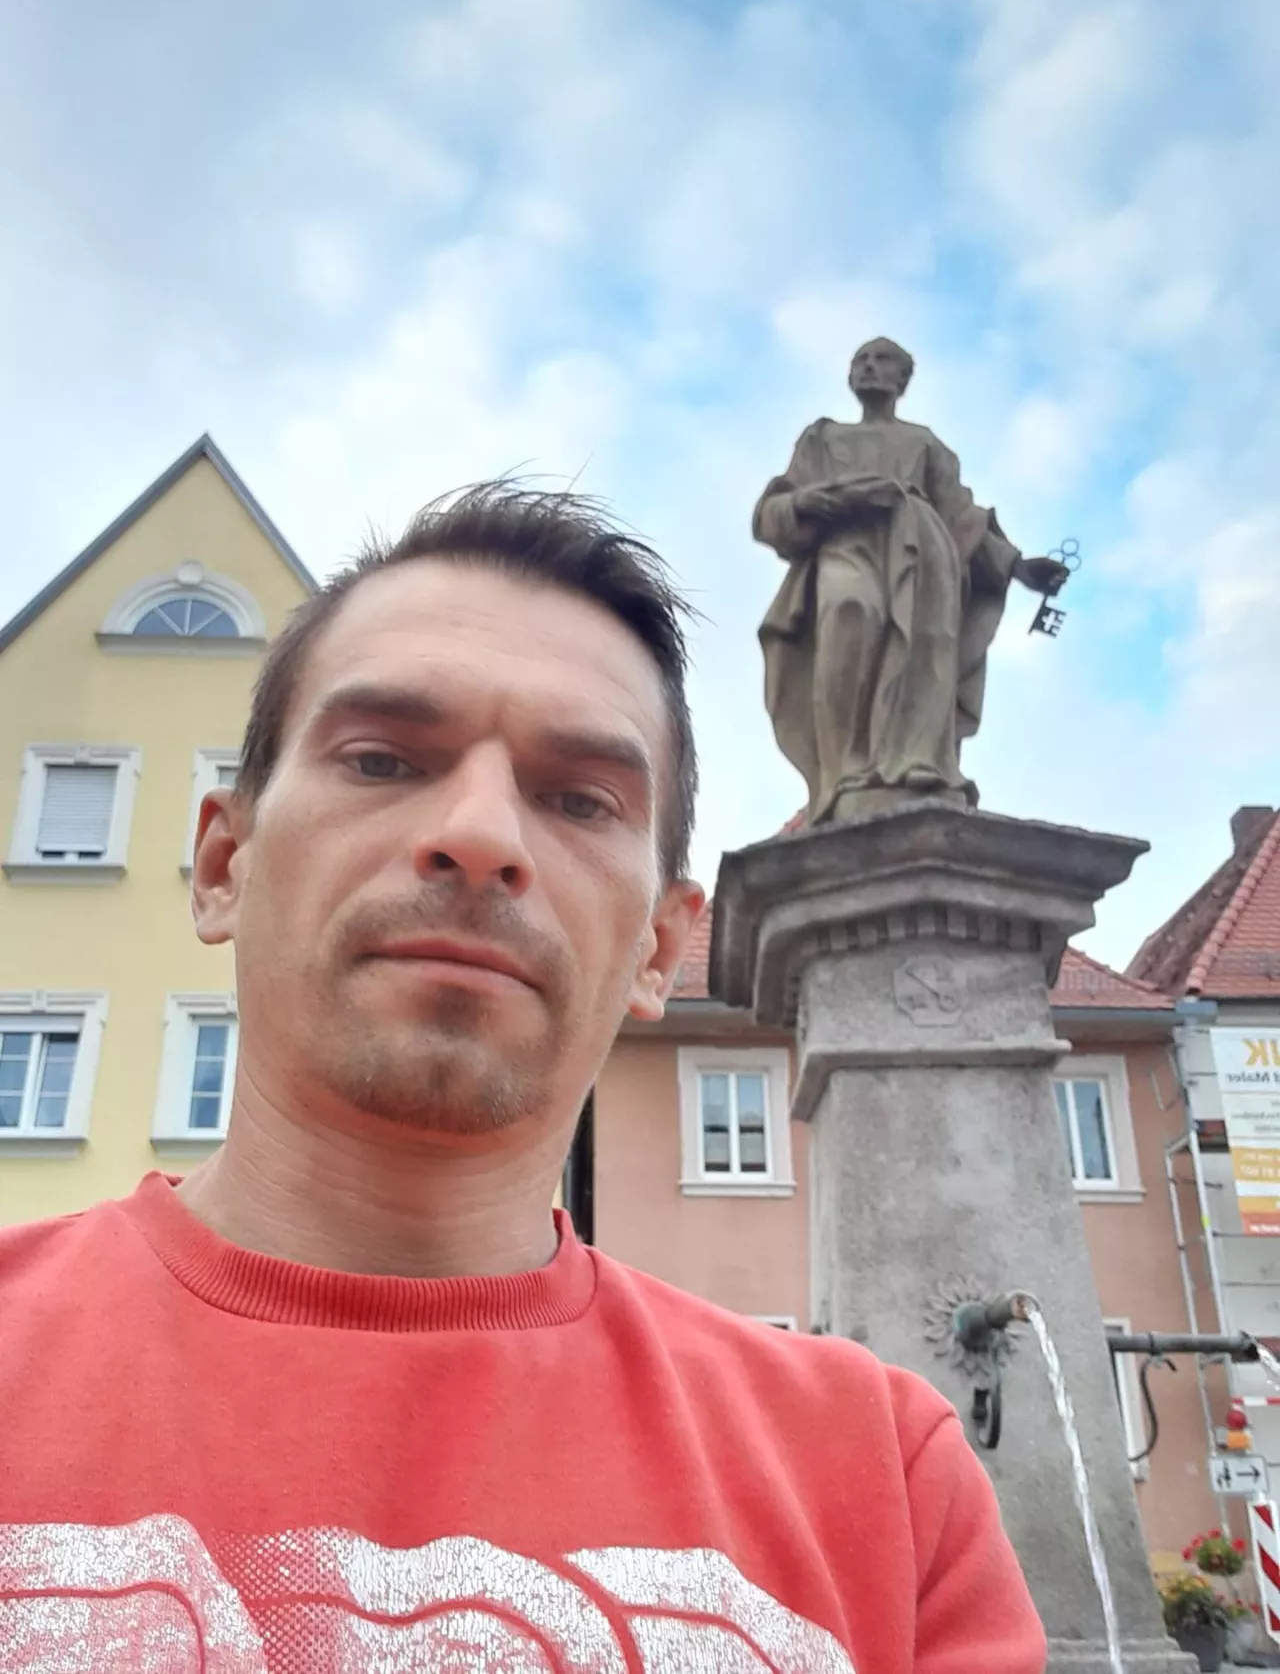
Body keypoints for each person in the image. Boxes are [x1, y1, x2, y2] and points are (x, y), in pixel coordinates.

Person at [0, 483, 1046, 1671]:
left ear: (659, 947)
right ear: (223, 865)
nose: (482, 833)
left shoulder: (882, 1475)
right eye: (381, 759)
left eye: (578, 799)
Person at [755, 337, 1069, 822]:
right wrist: (818, 501)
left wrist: (1018, 566)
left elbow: (962, 517)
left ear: (902, 380)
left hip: (923, 554)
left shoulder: (925, 445)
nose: (869, 367)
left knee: (923, 647)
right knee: (848, 613)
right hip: (847, 544)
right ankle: (843, 772)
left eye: (882, 360)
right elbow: (773, 512)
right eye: (860, 360)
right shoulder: (823, 439)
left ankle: (913, 761)